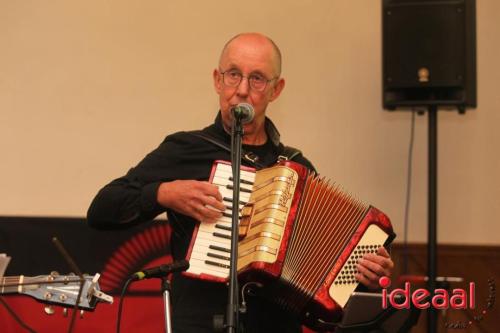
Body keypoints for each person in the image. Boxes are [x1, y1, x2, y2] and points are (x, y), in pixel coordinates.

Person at [87, 32, 394, 333]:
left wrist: (362, 271)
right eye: (233, 74)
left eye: (258, 78)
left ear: (276, 89)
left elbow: (329, 274)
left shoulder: (295, 167)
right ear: (217, 80)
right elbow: (102, 209)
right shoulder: (186, 149)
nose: (243, 89)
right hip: (201, 322)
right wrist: (163, 193)